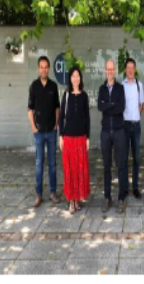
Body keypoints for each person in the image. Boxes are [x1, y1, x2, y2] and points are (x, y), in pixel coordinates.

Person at [28, 56, 61, 207]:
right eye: (41, 67)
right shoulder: (33, 86)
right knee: (39, 163)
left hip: (52, 132)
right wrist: (33, 127)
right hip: (39, 132)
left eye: (46, 67)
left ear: (48, 69)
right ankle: (39, 194)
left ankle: (53, 192)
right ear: (38, 68)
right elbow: (30, 109)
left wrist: (56, 124)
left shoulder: (53, 86)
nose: (44, 69)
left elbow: (57, 107)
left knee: (53, 164)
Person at [58, 66, 91, 214]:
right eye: (73, 76)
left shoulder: (84, 96)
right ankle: (71, 200)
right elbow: (61, 118)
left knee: (79, 170)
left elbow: (87, 118)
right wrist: (60, 136)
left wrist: (88, 137)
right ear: (70, 79)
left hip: (81, 138)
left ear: (80, 78)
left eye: (78, 76)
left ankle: (77, 199)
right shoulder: (66, 95)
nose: (75, 78)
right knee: (69, 170)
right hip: (68, 138)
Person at [98, 59, 128, 213]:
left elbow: (121, 107)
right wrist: (112, 105)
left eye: (112, 69)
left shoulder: (120, 88)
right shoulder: (102, 88)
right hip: (105, 132)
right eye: (107, 69)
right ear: (105, 71)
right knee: (106, 166)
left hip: (118, 131)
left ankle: (121, 198)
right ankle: (107, 197)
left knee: (121, 165)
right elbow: (100, 106)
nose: (109, 72)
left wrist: (108, 105)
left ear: (115, 70)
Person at [122, 58, 144, 199]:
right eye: (128, 67)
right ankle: (125, 188)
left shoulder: (139, 85)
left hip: (136, 126)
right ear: (125, 70)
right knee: (124, 158)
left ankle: (135, 187)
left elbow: (141, 104)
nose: (130, 70)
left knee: (136, 158)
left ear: (135, 69)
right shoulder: (121, 86)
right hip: (124, 126)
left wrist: (136, 115)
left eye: (133, 67)